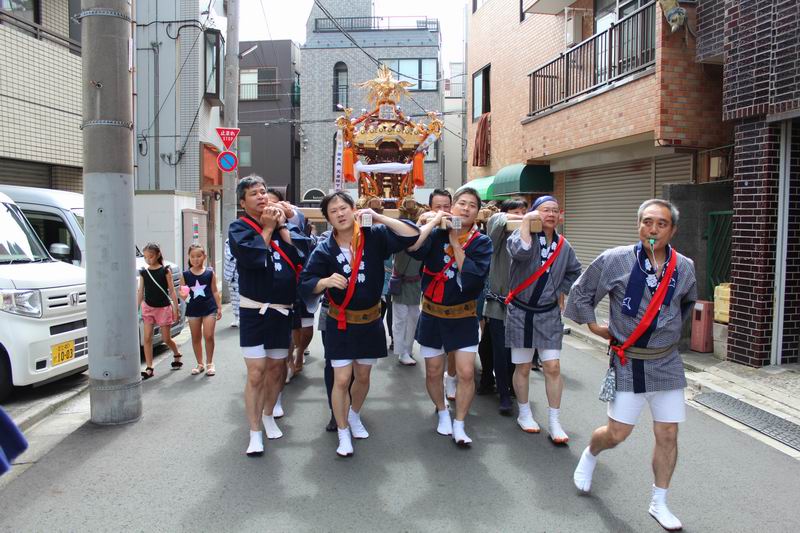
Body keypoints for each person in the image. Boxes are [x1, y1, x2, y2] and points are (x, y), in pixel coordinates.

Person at [564, 199, 697, 532]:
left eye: (661, 224)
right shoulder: (615, 259)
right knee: (617, 434)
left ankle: (659, 502)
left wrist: (665, 334)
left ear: (673, 230)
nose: (653, 229)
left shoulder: (685, 267)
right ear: (638, 225)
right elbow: (581, 291)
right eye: (647, 222)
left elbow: (686, 304)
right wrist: (593, 325)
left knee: (668, 433)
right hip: (629, 361)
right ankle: (591, 454)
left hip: (667, 361)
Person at [299, 192, 420, 457]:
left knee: (363, 376)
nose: (340, 214)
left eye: (344, 208)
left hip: (370, 320)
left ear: (354, 209)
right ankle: (342, 431)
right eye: (333, 211)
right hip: (340, 323)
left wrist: (378, 217)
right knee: (341, 379)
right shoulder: (324, 249)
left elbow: (411, 234)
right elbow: (306, 282)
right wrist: (325, 282)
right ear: (327, 218)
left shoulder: (373, 236)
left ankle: (354, 414)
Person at [229, 175, 308, 457]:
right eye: (254, 193)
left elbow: (301, 255)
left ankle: (268, 414)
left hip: (282, 311)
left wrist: (282, 225)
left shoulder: (280, 226)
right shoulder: (239, 227)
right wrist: (267, 228)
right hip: (254, 311)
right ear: (243, 202)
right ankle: (254, 432)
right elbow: (252, 258)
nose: (261, 196)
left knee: (277, 369)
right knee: (256, 373)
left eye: (263, 192)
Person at [408, 187, 492, 446]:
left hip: (463, 315)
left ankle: (460, 422)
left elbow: (472, 277)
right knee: (434, 372)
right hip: (432, 314)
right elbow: (412, 248)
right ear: (452, 207)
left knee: (466, 373)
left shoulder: (482, 242)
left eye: (472, 205)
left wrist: (456, 242)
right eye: (461, 203)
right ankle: (442, 411)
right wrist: (431, 221)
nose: (466, 208)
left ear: (477, 213)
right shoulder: (435, 233)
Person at [505, 196, 581, 442]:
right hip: (520, 311)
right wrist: (526, 221)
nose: (551, 214)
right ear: (535, 212)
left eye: (555, 211)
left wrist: (561, 291)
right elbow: (520, 253)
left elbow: (574, 271)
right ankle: (524, 413)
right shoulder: (521, 235)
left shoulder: (564, 245)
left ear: (560, 216)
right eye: (545, 210)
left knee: (553, 367)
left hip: (548, 313)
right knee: (523, 366)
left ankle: (554, 420)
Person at [483, 198, 528, 413]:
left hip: (524, 306)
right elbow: (495, 219)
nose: (520, 216)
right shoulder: (498, 235)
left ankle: (511, 386)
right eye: (515, 212)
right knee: (500, 351)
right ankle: (502, 392)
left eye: (523, 212)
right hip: (498, 303)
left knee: (516, 352)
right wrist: (525, 218)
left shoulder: (531, 235)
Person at [416, 189, 459, 401]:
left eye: (446, 207)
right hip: (433, 303)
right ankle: (440, 405)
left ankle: (451, 378)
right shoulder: (429, 231)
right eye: (437, 207)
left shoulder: (464, 229)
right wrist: (425, 223)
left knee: (456, 353)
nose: (443, 211)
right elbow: (414, 249)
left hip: (459, 303)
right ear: (429, 209)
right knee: (433, 364)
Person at [137, 242, 182, 379]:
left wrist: (176, 308)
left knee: (166, 338)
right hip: (148, 308)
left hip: (163, 308)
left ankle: (177, 354)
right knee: (147, 338)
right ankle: (149, 367)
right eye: (145, 257)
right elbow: (140, 292)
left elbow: (172, 291)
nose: (148, 259)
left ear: (158, 255)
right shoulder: (144, 273)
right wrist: (136, 308)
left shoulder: (165, 271)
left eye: (150, 256)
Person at [180, 244, 222, 376]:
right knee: (196, 337)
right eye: (192, 256)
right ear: (189, 257)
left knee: (208, 335)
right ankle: (200, 364)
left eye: (198, 256)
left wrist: (219, 307)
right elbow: (183, 293)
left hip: (209, 307)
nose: (195, 259)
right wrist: (183, 295)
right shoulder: (185, 274)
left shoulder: (210, 273)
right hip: (193, 308)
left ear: (204, 257)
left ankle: (210, 363)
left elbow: (215, 291)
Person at [390, 246, 422, 366]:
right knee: (400, 319)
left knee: (413, 318)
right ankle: (402, 352)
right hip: (401, 281)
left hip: (415, 283)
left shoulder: (423, 239)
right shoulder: (400, 240)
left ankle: (407, 349)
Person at [223, 239, 240, 328]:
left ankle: (243, 317)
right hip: (234, 272)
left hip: (245, 270)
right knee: (235, 296)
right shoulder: (229, 241)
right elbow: (228, 255)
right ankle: (237, 317)